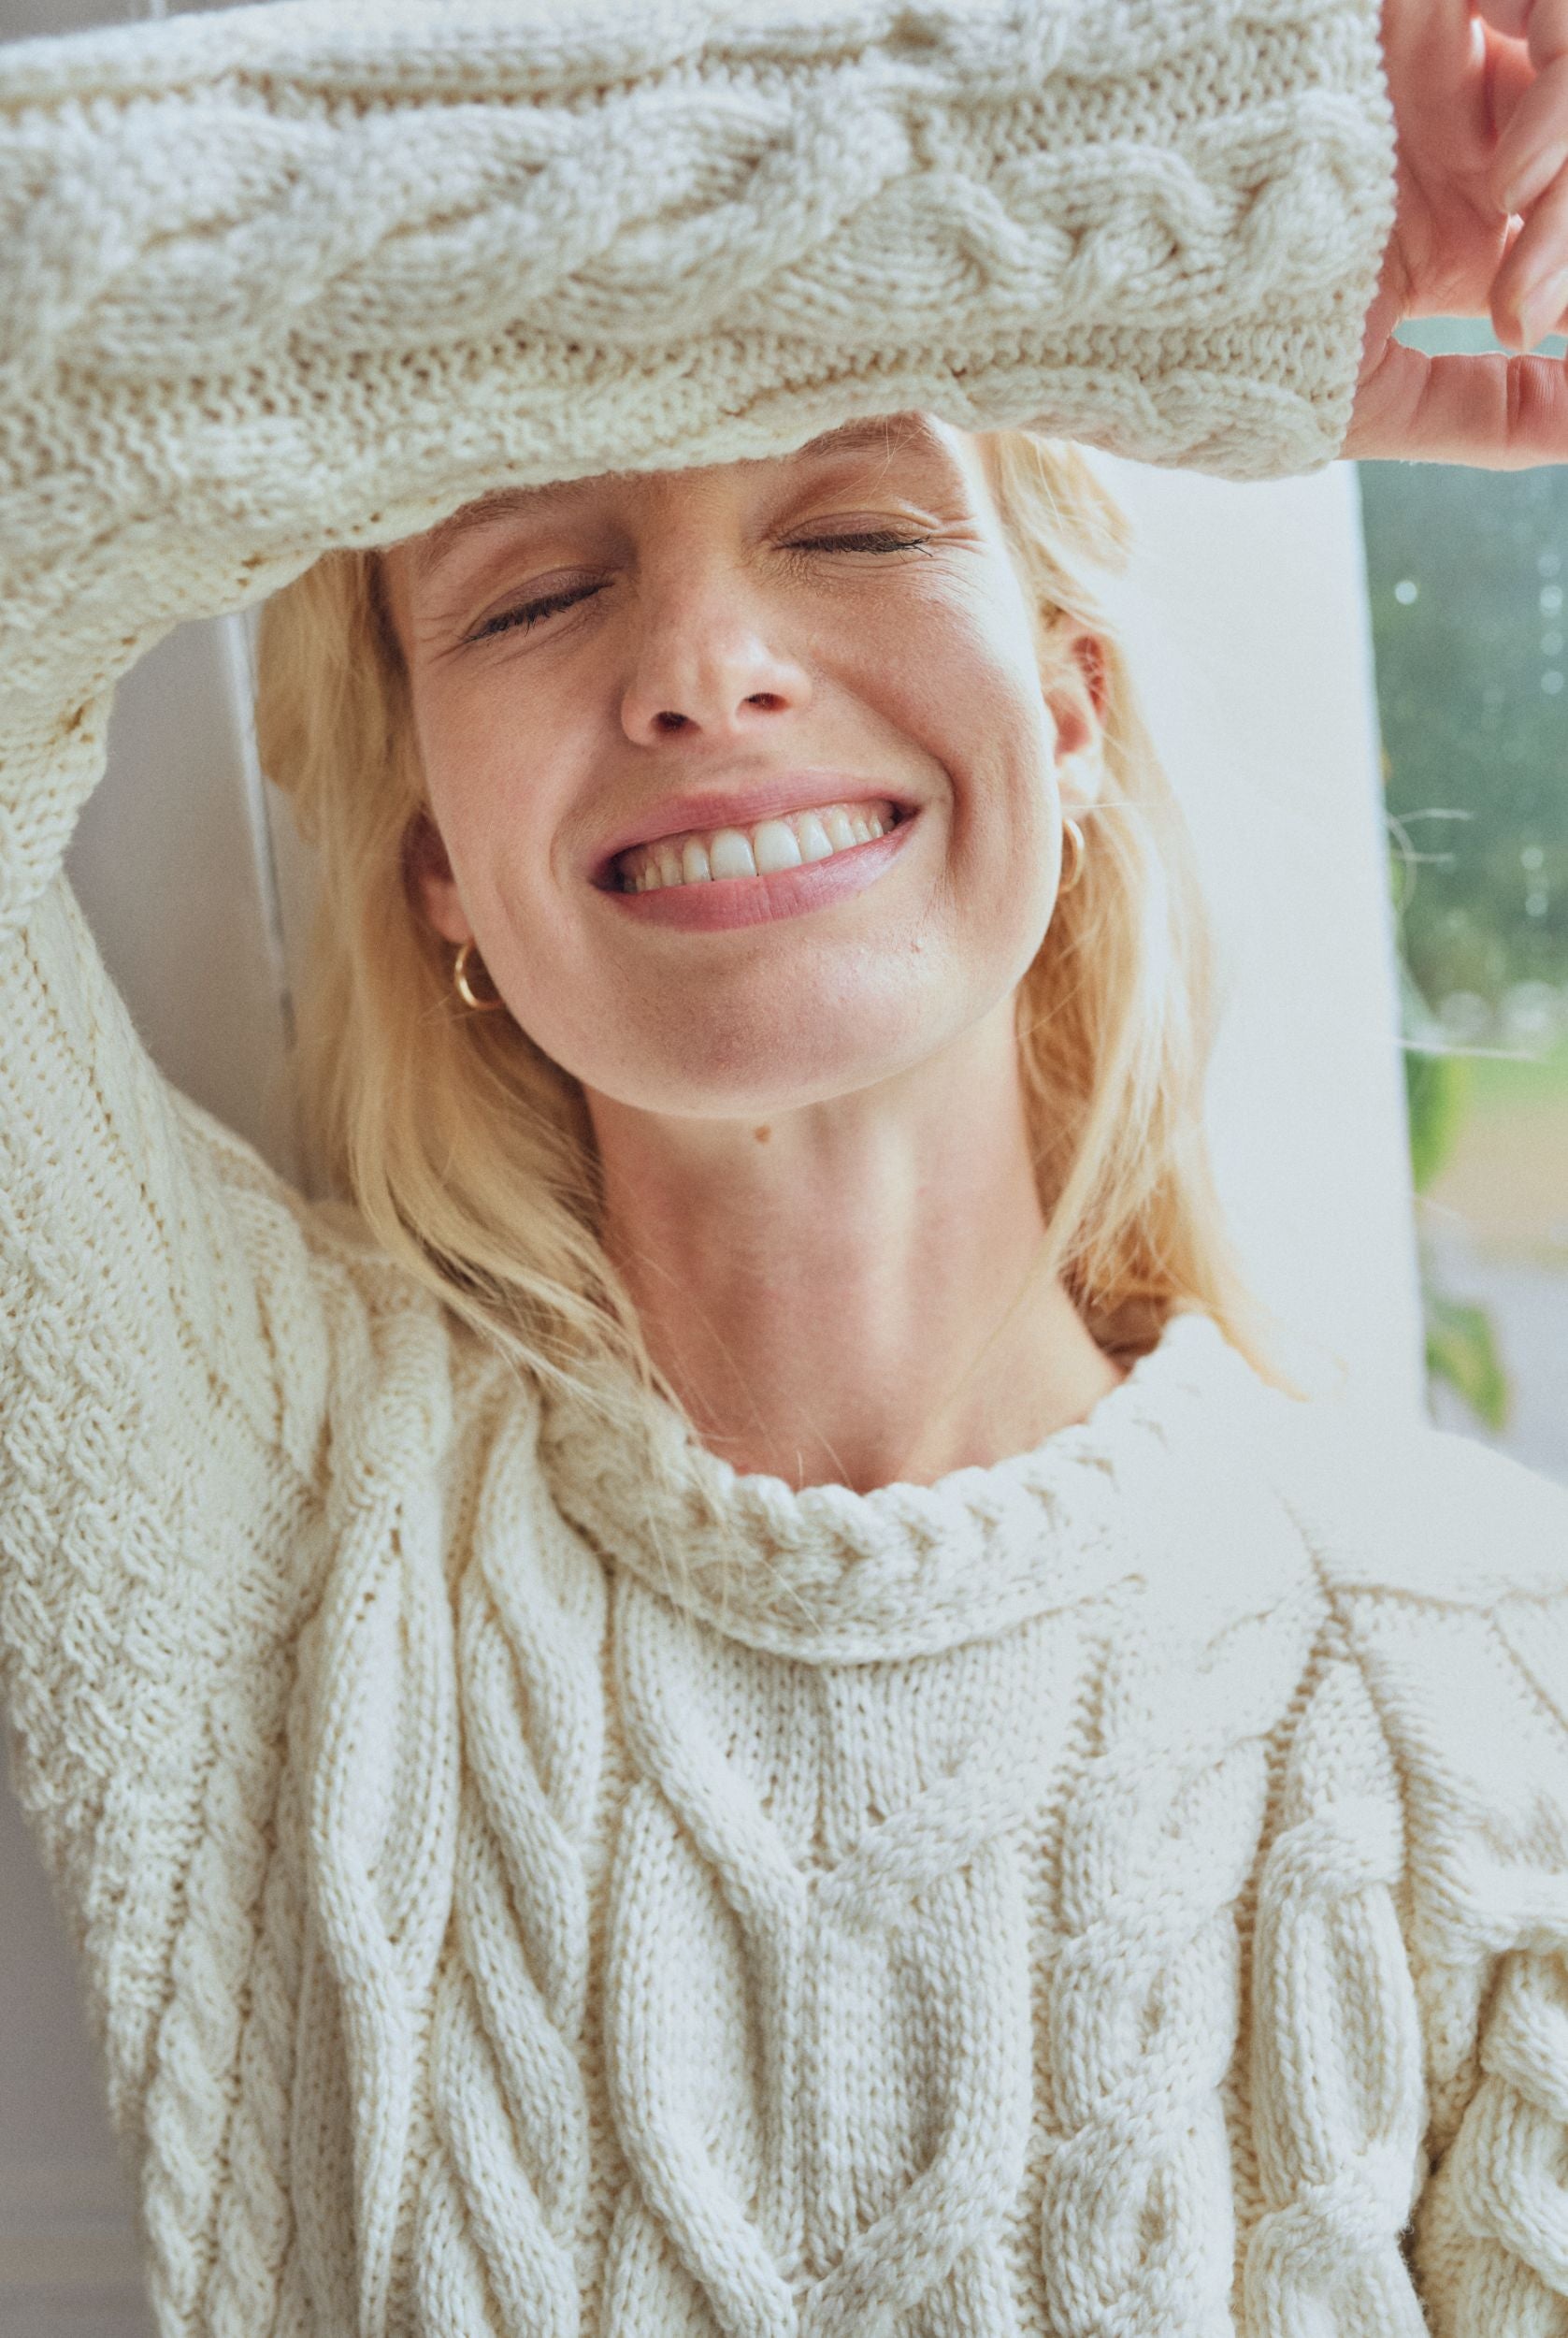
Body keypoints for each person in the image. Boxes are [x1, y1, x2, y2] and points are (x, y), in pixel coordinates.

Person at [2, 2, 1567, 2334]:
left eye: (851, 522)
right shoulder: (250, 1487)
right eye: (533, 590)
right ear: (434, 861)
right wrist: (1214, 203)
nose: (707, 662)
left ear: (1065, 711)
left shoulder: (1499, 1691)